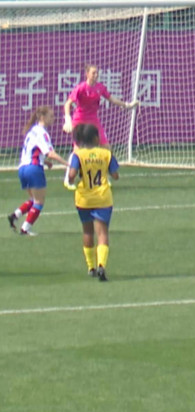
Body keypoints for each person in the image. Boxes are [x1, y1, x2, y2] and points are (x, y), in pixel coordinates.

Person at [67, 123, 120, 281]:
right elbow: (115, 175)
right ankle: (102, 265)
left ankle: (90, 267)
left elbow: (71, 175)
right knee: (102, 233)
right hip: (103, 197)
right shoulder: (106, 154)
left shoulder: (78, 155)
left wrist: (72, 180)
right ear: (96, 138)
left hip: (84, 198)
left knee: (87, 231)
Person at [7, 106, 69, 236]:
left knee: (33, 198)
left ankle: (15, 215)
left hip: (22, 168)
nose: (53, 119)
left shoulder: (32, 131)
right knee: (39, 201)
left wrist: (45, 162)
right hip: (33, 169)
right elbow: (50, 153)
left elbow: (31, 151)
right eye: (51, 116)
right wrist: (67, 164)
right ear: (42, 117)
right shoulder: (42, 133)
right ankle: (25, 229)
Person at [63, 64, 139, 149]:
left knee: (106, 147)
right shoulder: (81, 88)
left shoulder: (100, 87)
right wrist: (67, 119)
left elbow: (112, 99)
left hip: (93, 119)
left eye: (97, 73)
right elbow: (68, 103)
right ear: (87, 74)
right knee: (78, 148)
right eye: (93, 73)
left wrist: (127, 105)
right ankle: (74, 162)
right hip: (79, 119)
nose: (96, 75)